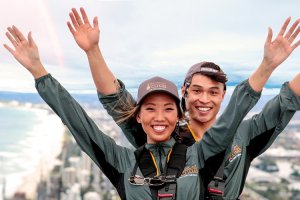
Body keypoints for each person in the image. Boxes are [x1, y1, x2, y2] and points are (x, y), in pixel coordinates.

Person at [4, 26, 263, 200]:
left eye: (168, 109)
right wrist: (39, 71)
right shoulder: (122, 162)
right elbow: (79, 122)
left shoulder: (199, 154)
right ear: (138, 116)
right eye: (150, 108)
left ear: (178, 116)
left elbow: (234, 114)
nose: (159, 117)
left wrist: (268, 65)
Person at [67, 7, 300, 199]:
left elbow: (286, 101)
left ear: (223, 95)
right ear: (184, 93)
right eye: (197, 90)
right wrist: (93, 51)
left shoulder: (243, 135)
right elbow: (116, 101)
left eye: (213, 92)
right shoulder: (162, 131)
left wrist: (269, 65)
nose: (204, 99)